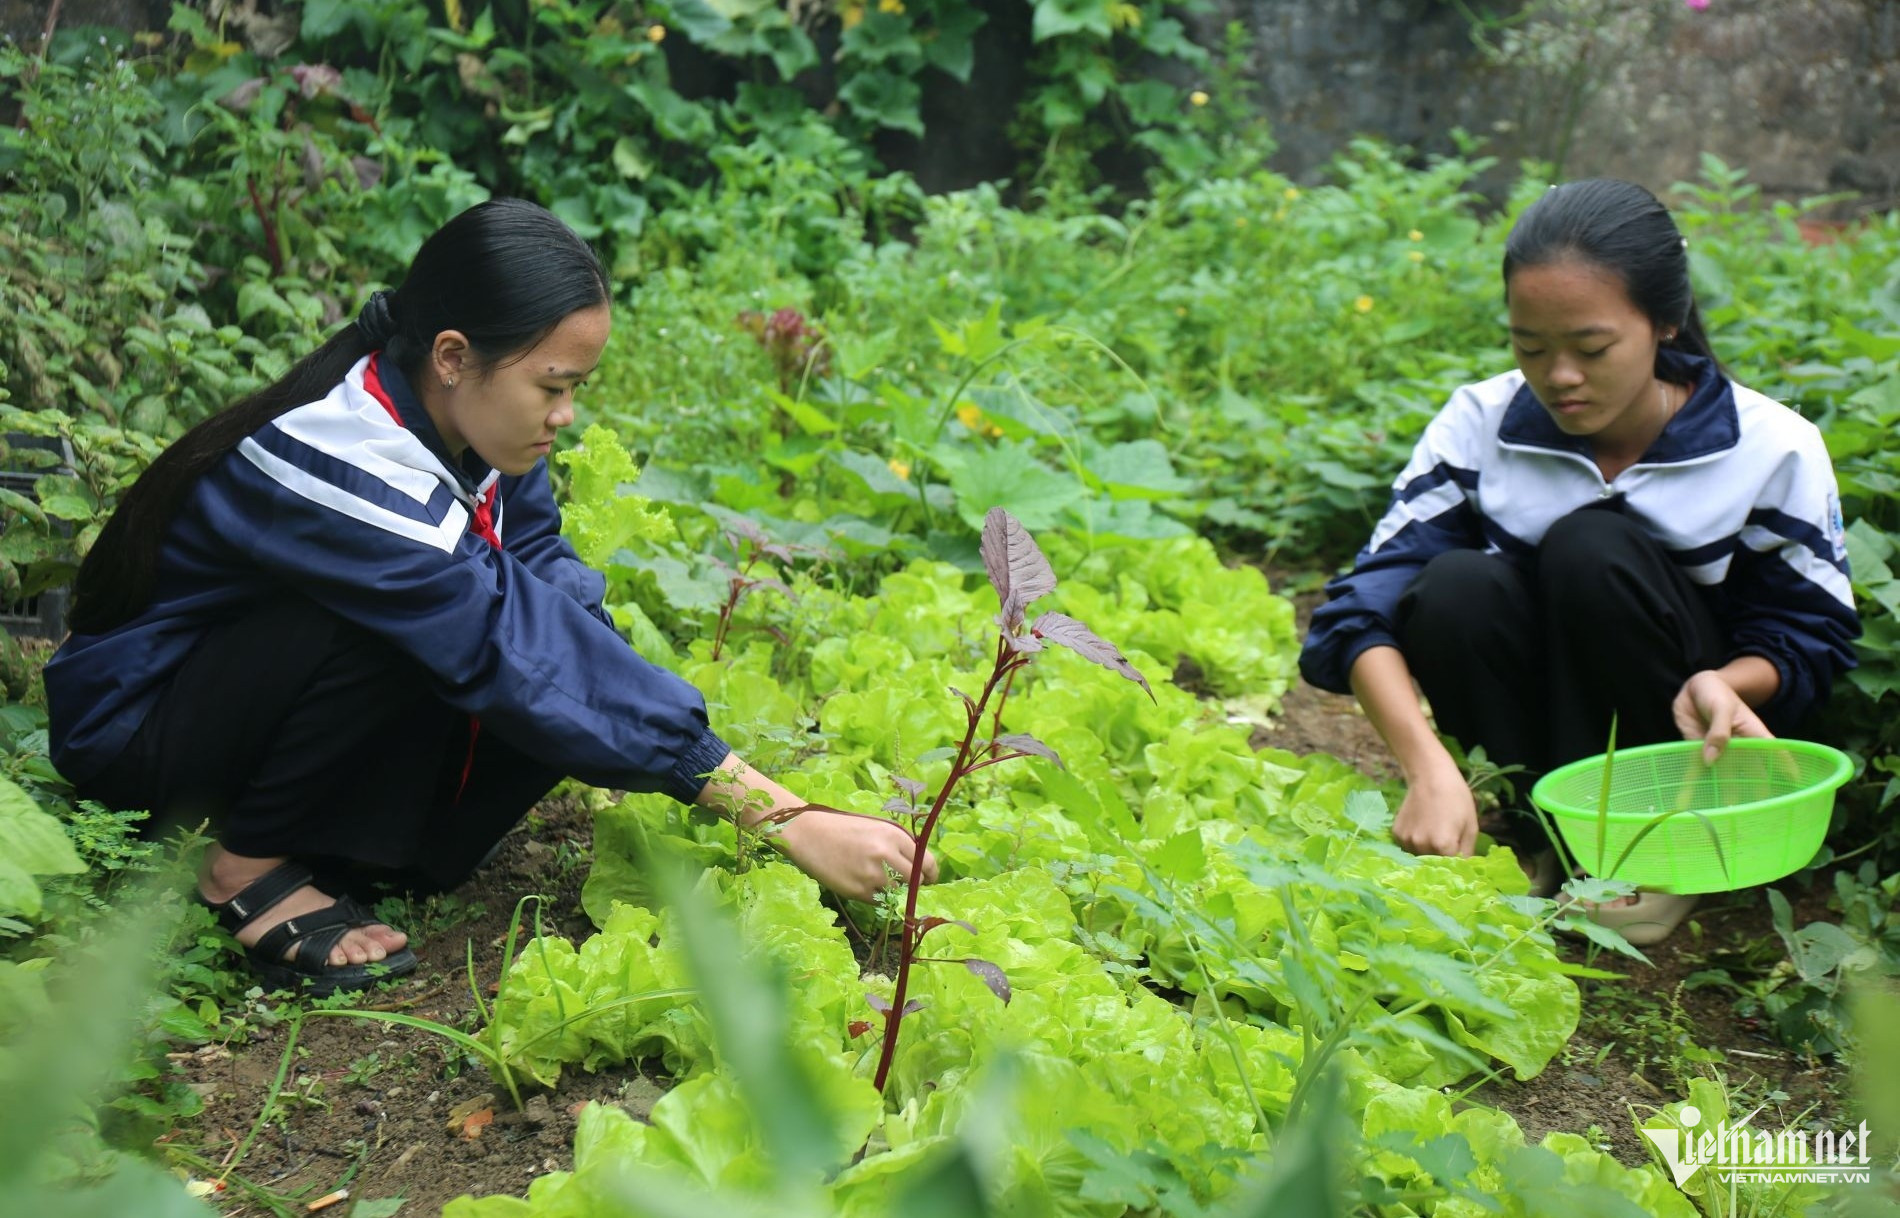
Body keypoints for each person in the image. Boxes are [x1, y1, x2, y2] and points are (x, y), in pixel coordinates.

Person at [45, 198, 936, 996]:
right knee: (439, 632)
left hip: (249, 709)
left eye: (575, 389)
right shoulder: (347, 460)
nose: (566, 414)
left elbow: (541, 571)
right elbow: (495, 637)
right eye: (552, 386)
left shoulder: (467, 431)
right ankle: (241, 867)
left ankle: (339, 837)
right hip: (144, 730)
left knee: (552, 635)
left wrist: (631, 702)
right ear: (452, 357)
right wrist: (780, 813)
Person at [1298, 178, 1859, 944]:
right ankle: (1536, 832)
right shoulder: (1480, 423)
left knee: (1590, 548)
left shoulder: (1769, 447)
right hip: (1535, 710)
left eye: (1591, 349)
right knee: (1456, 585)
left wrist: (1726, 683)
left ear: (1665, 323)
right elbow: (1360, 612)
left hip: (1683, 738)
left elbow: (1808, 633)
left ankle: (1661, 847)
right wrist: (1430, 767)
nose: (1559, 375)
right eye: (1531, 347)